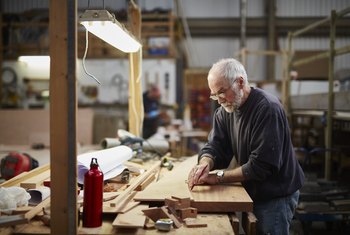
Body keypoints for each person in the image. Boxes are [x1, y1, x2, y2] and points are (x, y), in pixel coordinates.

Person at [187, 58, 305, 235]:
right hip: (252, 190)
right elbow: (215, 146)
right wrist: (205, 164)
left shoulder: (267, 109)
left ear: (240, 82)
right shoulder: (224, 112)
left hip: (275, 194)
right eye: (214, 95)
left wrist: (218, 177)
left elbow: (261, 166)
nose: (219, 100)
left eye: (221, 92)